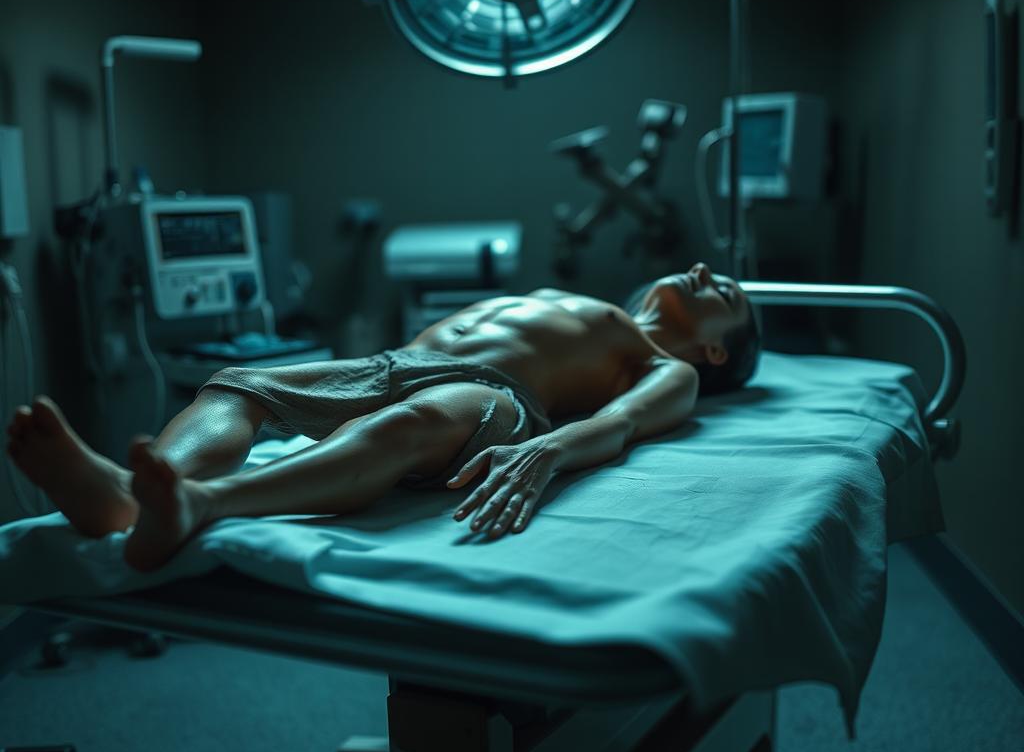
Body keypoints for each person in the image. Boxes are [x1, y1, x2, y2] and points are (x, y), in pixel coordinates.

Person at [5, 262, 758, 571]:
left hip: (497, 396)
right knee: (238, 382)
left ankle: (198, 503)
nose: (701, 270)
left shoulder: (671, 369)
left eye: (723, 291)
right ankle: (135, 495)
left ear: (717, 354)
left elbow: (622, 423)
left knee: (409, 425)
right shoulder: (593, 302)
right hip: (400, 359)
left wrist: (549, 452)